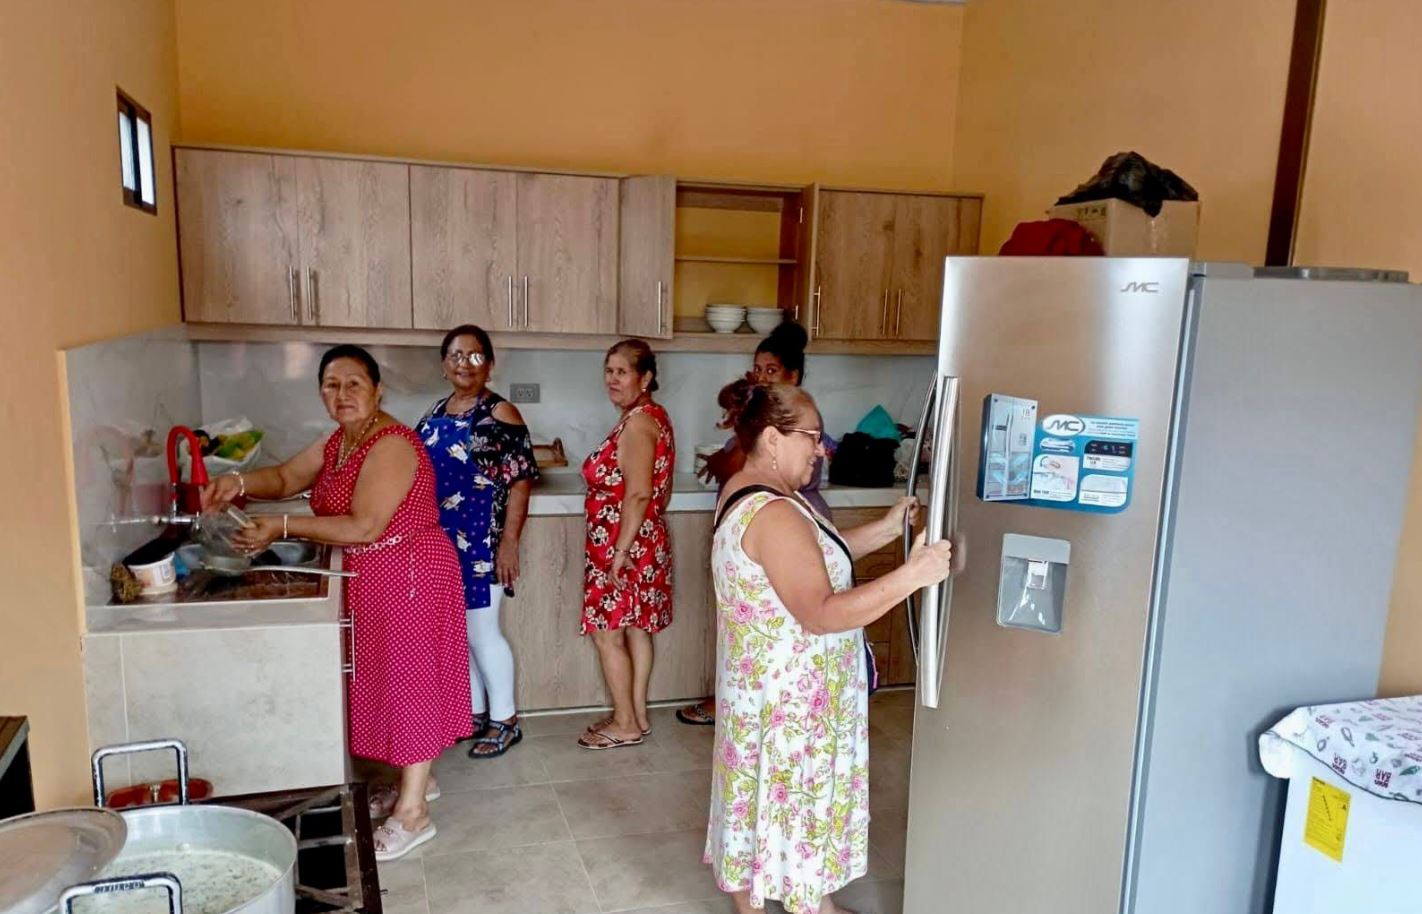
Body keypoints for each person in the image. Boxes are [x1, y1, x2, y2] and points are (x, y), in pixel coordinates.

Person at [202, 344, 471, 862]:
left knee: (408, 682)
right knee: (388, 678)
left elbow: (365, 525)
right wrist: (235, 482)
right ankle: (419, 779)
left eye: (354, 384)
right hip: (373, 575)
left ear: (377, 391)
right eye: (331, 384)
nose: (342, 393)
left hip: (409, 574)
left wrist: (281, 526)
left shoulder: (392, 445)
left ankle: (414, 813)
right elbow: (285, 478)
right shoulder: (341, 441)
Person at [704, 379, 953, 914]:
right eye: (813, 436)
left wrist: (885, 530)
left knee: (760, 798)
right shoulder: (775, 513)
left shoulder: (753, 491)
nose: (822, 449)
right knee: (798, 804)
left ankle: (764, 904)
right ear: (773, 438)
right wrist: (913, 576)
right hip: (795, 704)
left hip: (763, 694)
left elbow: (814, 559)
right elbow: (820, 612)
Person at [678, 321, 831, 727]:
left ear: (792, 377)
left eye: (771, 370)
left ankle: (767, 709)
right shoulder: (757, 427)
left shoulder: (791, 428)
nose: (761, 377)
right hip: (764, 533)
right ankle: (747, 704)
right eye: (758, 369)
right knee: (754, 622)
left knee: (779, 623)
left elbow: (735, 465)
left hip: (788, 528)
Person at [415, 325, 539, 759]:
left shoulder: (501, 413)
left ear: (489, 363)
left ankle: (506, 721)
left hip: (483, 540)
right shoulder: (436, 410)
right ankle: (474, 712)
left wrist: (509, 542)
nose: (464, 364)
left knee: (482, 631)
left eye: (474, 356)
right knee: (460, 630)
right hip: (443, 539)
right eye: (455, 355)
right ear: (443, 364)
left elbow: (521, 482)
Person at [577, 338, 676, 750]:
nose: (612, 380)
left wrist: (619, 553)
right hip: (642, 540)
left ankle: (624, 722)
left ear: (645, 377)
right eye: (609, 371)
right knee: (636, 628)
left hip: (623, 545)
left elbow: (638, 493)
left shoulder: (638, 424)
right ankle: (635, 716)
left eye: (622, 372)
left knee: (607, 633)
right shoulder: (652, 416)